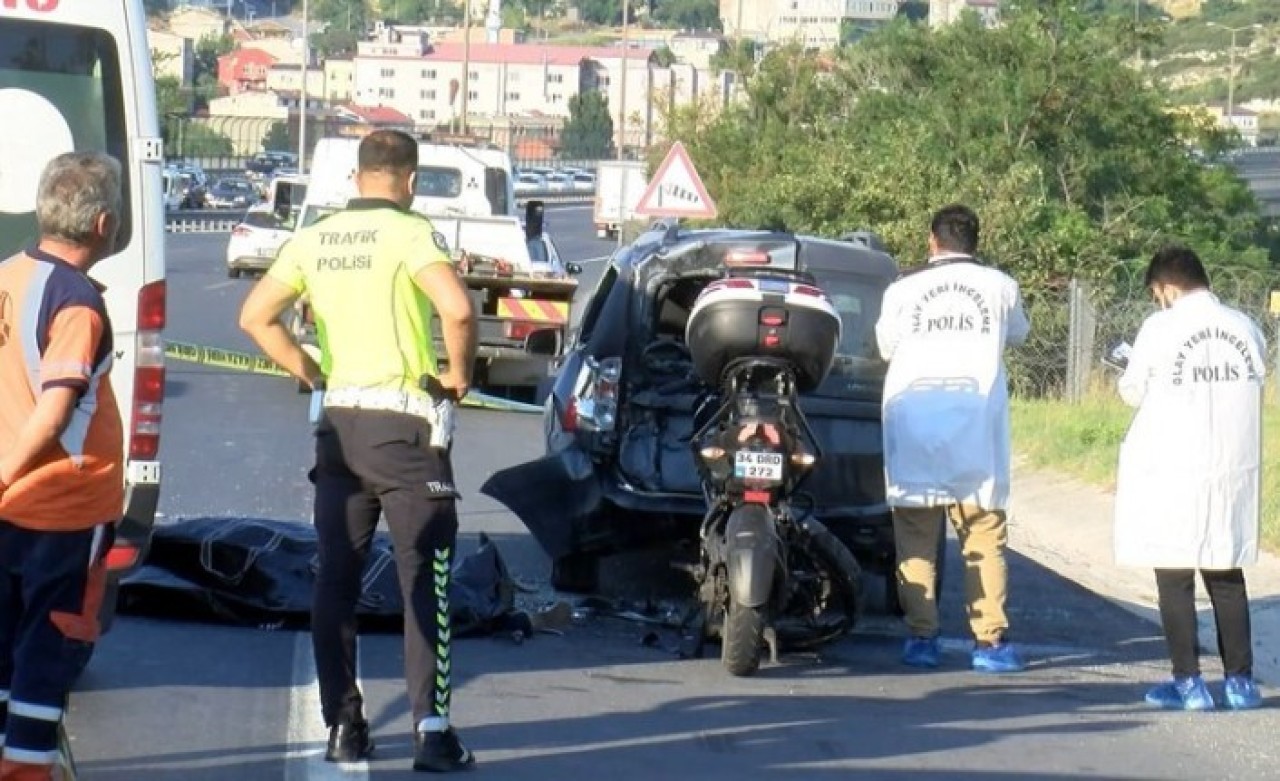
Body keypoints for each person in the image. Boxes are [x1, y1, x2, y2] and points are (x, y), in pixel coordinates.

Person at [239, 130, 479, 772]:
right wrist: (461, 375)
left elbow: (255, 316)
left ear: (356, 177)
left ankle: (343, 726)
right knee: (423, 579)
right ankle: (432, 731)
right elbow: (456, 309)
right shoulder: (409, 231)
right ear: (409, 179)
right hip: (405, 430)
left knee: (335, 581)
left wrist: (312, 373)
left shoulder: (314, 237)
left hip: (339, 427)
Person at [0, 152, 125, 781]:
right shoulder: (77, 303)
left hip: (9, 510)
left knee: (3, 658)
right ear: (104, 222)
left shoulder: (7, 276)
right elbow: (53, 413)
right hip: (60, 509)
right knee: (46, 657)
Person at [874, 203, 1031, 673]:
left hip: (914, 425)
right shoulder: (1001, 287)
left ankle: (922, 638)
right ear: (976, 241)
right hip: (975, 432)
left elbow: (885, 346)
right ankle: (989, 643)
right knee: (983, 538)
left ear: (932, 240)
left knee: (917, 539)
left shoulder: (903, 288)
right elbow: (1018, 334)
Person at [1113, 245, 1266, 711]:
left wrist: (1126, 366)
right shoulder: (1245, 327)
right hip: (1231, 467)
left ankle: (1188, 684)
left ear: (1167, 287)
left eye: (1157, 294)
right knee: (1226, 572)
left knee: (1175, 573)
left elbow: (1131, 391)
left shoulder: (1160, 327)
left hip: (1174, 466)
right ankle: (1241, 683)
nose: (1158, 301)